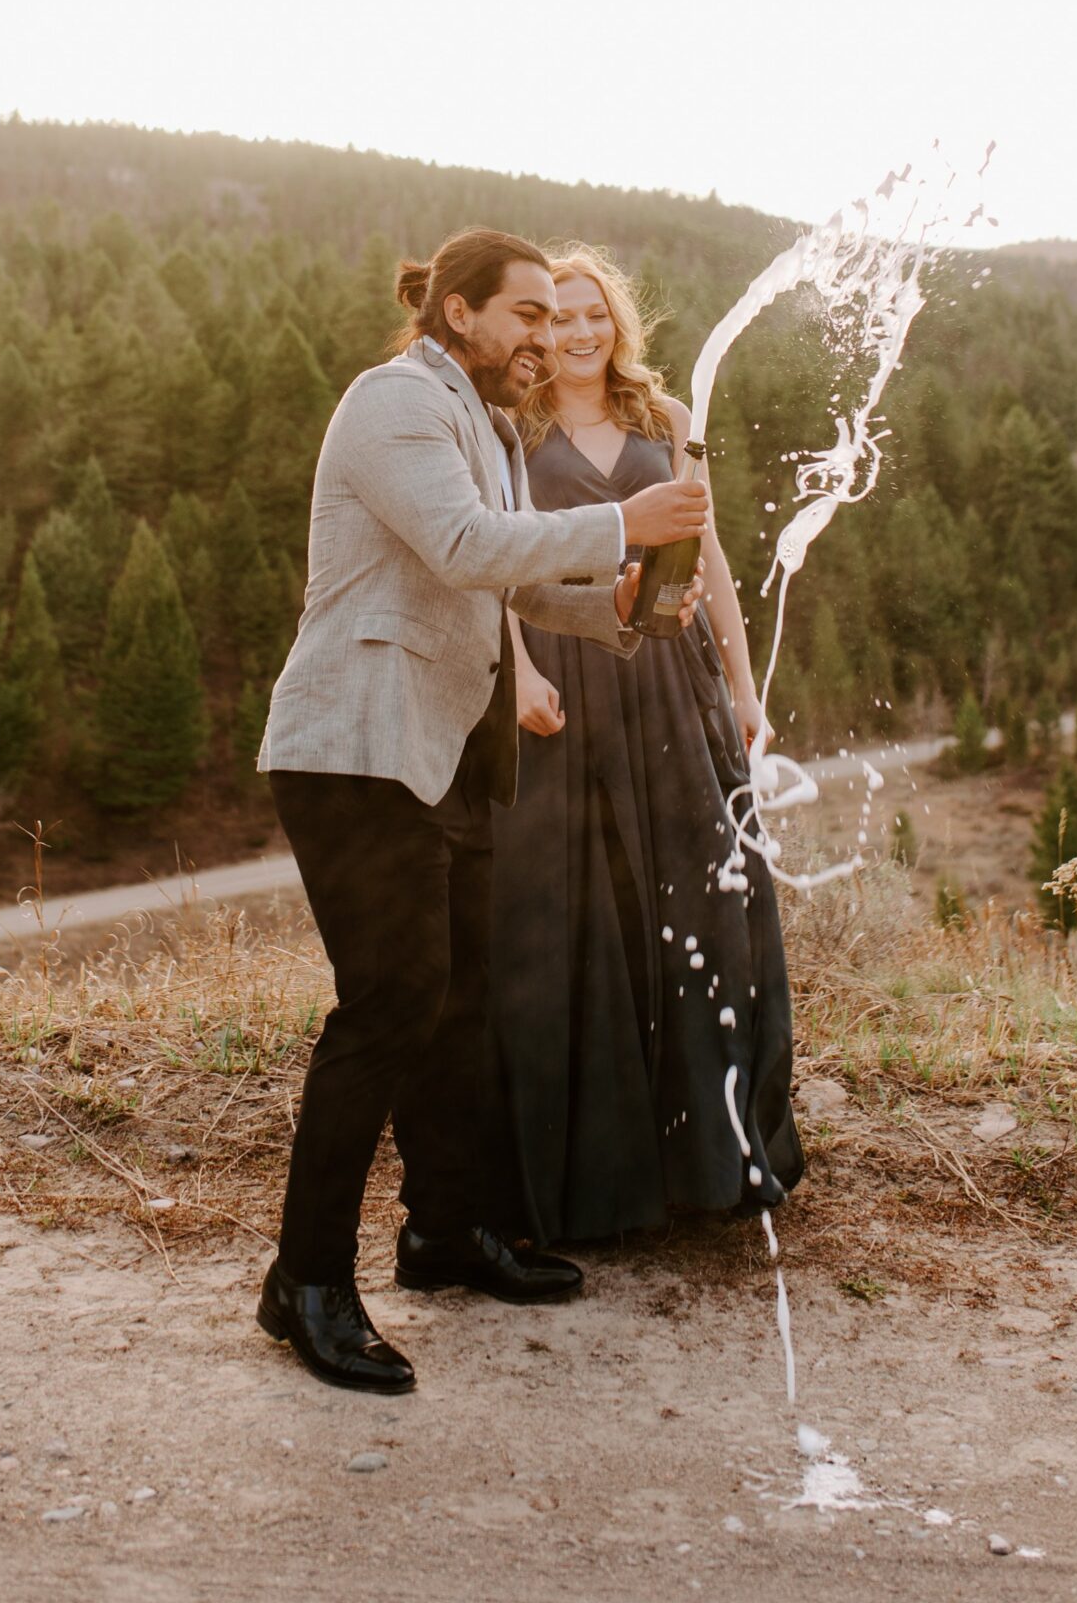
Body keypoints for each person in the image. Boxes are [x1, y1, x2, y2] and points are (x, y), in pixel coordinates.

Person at [255, 227, 710, 1395]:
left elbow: (508, 573)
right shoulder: (391, 404)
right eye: (522, 316)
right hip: (355, 749)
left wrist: (615, 602)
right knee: (387, 1008)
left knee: (454, 1008)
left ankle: (442, 1234)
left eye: (554, 321)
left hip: (443, 748)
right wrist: (627, 522)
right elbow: (462, 548)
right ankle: (303, 1282)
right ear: (457, 314)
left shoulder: (485, 426)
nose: (542, 339)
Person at [490, 242, 803, 1244]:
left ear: (614, 323)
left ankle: (703, 1163)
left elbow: (705, 557)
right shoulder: (507, 424)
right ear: (535, 328)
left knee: (700, 902)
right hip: (558, 673)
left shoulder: (661, 422)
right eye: (558, 316)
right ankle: (591, 1179)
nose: (577, 332)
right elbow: (483, 558)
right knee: (571, 915)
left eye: (593, 314)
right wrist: (518, 671)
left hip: (668, 680)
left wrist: (744, 686)